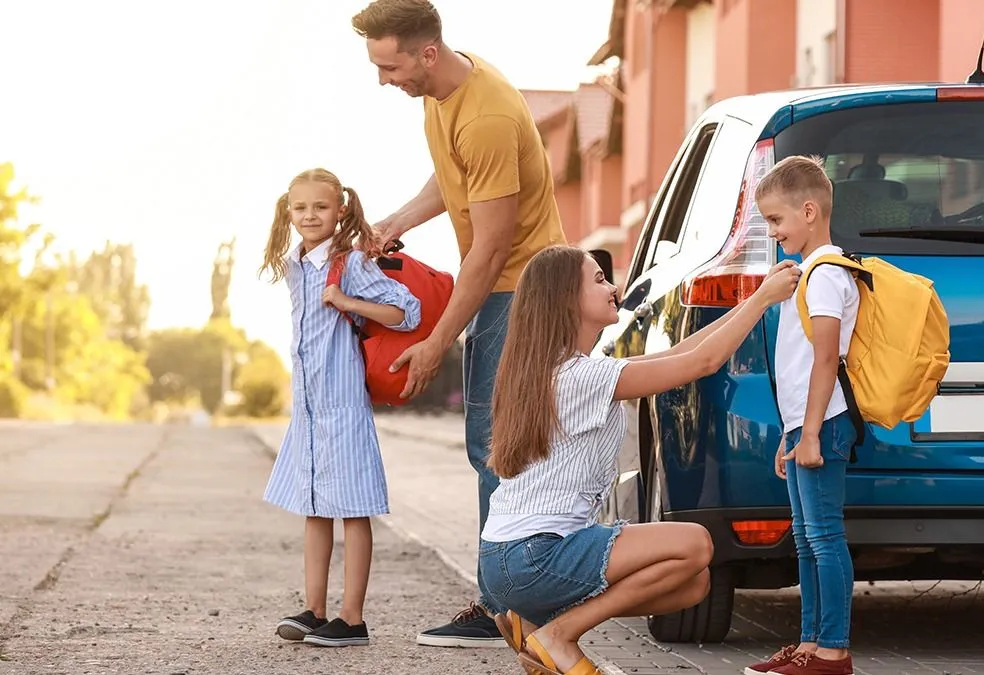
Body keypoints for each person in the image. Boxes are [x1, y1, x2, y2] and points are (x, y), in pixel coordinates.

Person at [351, 0, 566, 648]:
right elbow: (454, 180)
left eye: (389, 67)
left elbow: (491, 248)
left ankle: (506, 605)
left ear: (425, 53)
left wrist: (436, 342)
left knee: (498, 446)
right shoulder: (443, 96)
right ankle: (509, 598)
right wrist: (396, 221)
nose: (385, 81)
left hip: (523, 287)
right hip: (504, 284)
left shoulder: (490, 113)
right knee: (496, 446)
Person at [479, 246, 804, 674]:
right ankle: (558, 635)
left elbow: (684, 351)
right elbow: (703, 362)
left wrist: (754, 296)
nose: (613, 288)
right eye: (598, 280)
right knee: (695, 544)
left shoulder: (564, 370)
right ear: (565, 299)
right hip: (533, 555)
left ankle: (540, 623)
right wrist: (763, 300)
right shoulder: (583, 377)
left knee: (694, 582)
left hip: (506, 559)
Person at [260, 168, 423, 648]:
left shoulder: (347, 263)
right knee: (314, 509)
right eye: (301, 208)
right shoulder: (294, 264)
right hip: (308, 411)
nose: (310, 215)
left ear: (340, 211)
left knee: (353, 512)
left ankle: (352, 618)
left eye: (321, 207)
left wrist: (347, 301)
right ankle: (314, 610)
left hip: (344, 407)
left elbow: (406, 310)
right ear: (288, 213)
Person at [744, 155, 859, 675]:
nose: (773, 232)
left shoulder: (828, 274)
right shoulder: (807, 274)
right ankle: (809, 646)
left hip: (824, 423)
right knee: (808, 538)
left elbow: (825, 358)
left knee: (825, 536)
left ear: (809, 211)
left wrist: (810, 432)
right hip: (805, 425)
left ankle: (832, 650)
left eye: (776, 221)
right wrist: (790, 434)